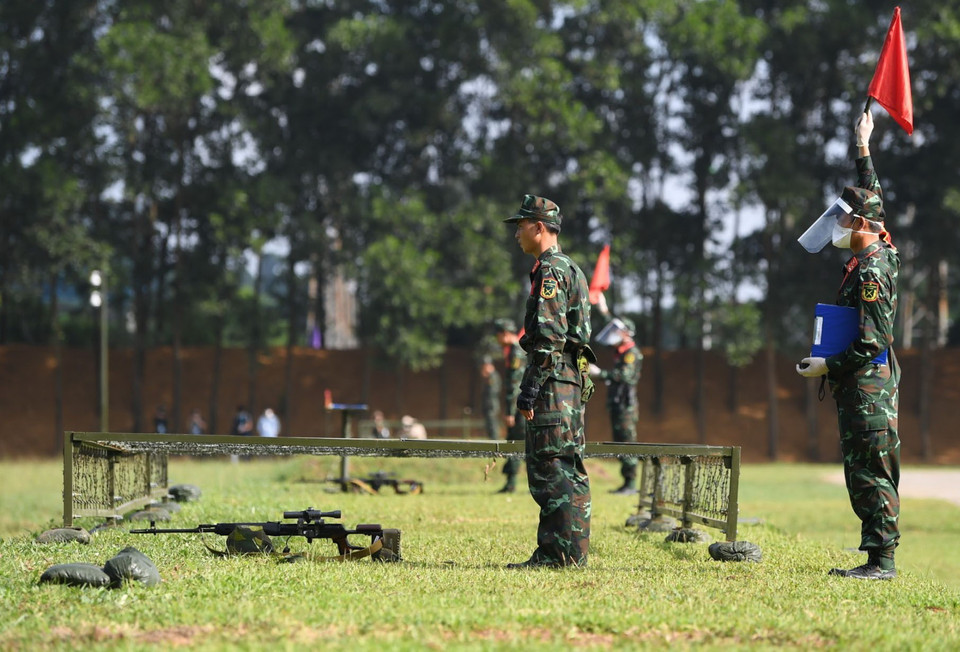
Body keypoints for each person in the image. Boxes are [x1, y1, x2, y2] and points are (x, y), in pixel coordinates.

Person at [796, 110, 900, 581]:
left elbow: (874, 340)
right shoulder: (873, 252)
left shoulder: (874, 270)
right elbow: (872, 193)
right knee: (861, 469)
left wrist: (828, 366)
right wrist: (863, 144)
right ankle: (875, 556)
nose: (839, 227)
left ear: (864, 224)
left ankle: (882, 562)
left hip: (867, 385)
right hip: (857, 384)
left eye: (846, 220)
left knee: (872, 471)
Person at [503, 194, 594, 568]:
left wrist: (529, 389)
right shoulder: (572, 268)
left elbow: (549, 338)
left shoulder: (550, 271)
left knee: (550, 469)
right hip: (570, 382)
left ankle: (557, 555)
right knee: (569, 469)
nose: (517, 234)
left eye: (521, 226)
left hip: (554, 382)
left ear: (539, 227)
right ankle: (570, 553)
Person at [589, 316, 643, 494]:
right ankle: (627, 482)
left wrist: (600, 374)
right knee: (620, 441)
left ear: (626, 333)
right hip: (618, 403)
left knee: (627, 443)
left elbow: (625, 375)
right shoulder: (621, 352)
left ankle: (631, 484)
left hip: (626, 404)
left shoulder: (631, 353)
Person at [494, 318, 527, 493]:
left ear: (504, 334)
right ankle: (511, 482)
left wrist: (509, 412)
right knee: (517, 443)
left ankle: (514, 483)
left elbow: (514, 385)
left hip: (519, 407)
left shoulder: (515, 352)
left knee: (518, 443)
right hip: (523, 406)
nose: (497, 340)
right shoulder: (519, 349)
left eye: (498, 336)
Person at [480, 356, 502, 440]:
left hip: (492, 405)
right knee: (489, 426)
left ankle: (495, 445)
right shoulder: (489, 377)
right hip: (488, 404)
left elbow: (493, 391)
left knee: (492, 426)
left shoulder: (493, 376)